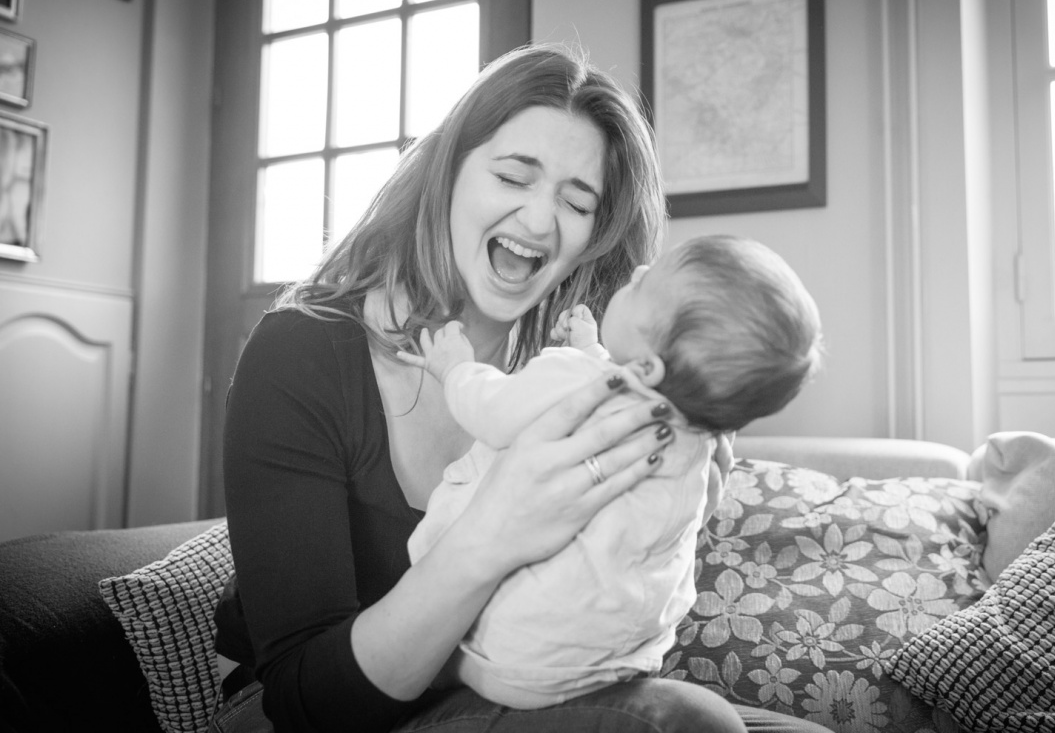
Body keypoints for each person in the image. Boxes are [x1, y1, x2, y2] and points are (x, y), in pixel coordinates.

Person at [209, 42, 833, 733]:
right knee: (694, 725)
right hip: (324, 708)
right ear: (448, 175)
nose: (540, 221)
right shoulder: (301, 352)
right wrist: (493, 534)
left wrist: (675, 506)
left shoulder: (579, 364)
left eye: (576, 200)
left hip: (508, 681)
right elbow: (306, 698)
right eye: (512, 177)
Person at [399, 233, 824, 710]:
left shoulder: (570, 377)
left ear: (645, 364)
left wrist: (455, 368)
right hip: (614, 660)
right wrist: (593, 347)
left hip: (508, 657)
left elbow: (493, 412)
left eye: (645, 287)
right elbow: (627, 391)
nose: (639, 273)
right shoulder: (692, 445)